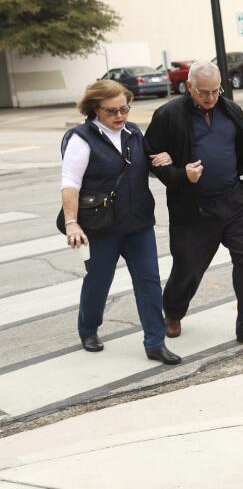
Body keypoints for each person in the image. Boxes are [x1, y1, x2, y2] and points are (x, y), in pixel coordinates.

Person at [143, 61, 243, 348]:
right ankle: (173, 312)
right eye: (204, 92)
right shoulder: (168, 115)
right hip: (194, 207)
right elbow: (151, 156)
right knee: (189, 266)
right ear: (189, 87)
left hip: (235, 201)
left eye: (216, 91)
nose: (211, 98)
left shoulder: (230, 110)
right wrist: (180, 174)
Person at [59, 80, 181, 365]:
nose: (120, 116)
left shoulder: (133, 132)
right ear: (94, 109)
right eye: (111, 111)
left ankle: (155, 342)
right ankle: (88, 328)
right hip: (101, 227)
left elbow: (145, 167)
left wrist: (165, 159)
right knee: (99, 280)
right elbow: (70, 184)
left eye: (124, 109)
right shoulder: (81, 138)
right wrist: (72, 223)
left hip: (138, 223)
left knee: (149, 281)